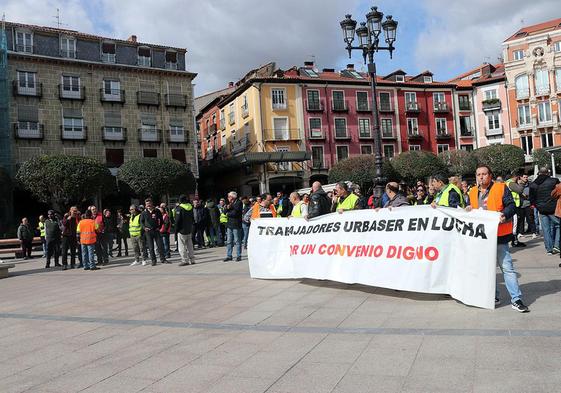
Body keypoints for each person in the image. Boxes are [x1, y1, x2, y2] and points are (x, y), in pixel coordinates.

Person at [466, 164, 529, 312]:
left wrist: (504, 214)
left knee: (507, 268)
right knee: (487, 270)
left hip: (499, 236)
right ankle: (493, 296)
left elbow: (511, 206)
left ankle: (516, 299)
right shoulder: (472, 191)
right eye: (478, 174)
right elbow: (469, 208)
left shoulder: (501, 187)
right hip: (481, 238)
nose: (481, 177)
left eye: (484, 174)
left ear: (490, 175)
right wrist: (468, 209)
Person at [530, 167, 560, 255]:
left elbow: (531, 198)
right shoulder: (554, 181)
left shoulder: (533, 184)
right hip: (552, 208)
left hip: (541, 209)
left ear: (539, 173)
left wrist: (537, 206)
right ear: (547, 173)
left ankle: (549, 249)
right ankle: (557, 245)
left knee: (546, 229)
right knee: (558, 225)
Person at [140, 198, 168, 265]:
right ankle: (153, 260)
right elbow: (141, 222)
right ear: (145, 205)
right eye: (147, 204)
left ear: (152, 203)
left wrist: (159, 227)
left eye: (149, 203)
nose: (148, 205)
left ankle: (163, 259)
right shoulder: (144, 213)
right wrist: (144, 228)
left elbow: (161, 220)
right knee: (151, 247)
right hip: (148, 232)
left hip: (156, 231)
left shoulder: (157, 211)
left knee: (160, 246)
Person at [505, 171, 526, 248]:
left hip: (513, 206)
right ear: (517, 177)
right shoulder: (511, 183)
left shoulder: (508, 182)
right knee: (515, 224)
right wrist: (521, 183)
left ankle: (515, 240)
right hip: (513, 207)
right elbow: (520, 190)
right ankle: (514, 241)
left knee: (515, 224)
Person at [175, 195, 196, 266]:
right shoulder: (190, 207)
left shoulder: (179, 208)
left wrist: (176, 229)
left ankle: (185, 260)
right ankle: (192, 259)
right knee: (190, 245)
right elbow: (192, 218)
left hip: (181, 230)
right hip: (189, 229)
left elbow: (177, 220)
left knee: (182, 246)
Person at [223, 191, 243, 262]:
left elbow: (235, 213)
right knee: (229, 241)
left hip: (236, 224)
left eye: (229, 196)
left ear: (233, 197)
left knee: (237, 241)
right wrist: (227, 208)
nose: (228, 198)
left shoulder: (239, 202)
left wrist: (228, 212)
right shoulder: (228, 203)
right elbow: (224, 211)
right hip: (229, 224)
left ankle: (238, 255)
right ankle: (229, 255)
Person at [519, 173, 536, 238]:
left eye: (526, 177)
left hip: (528, 204)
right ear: (521, 177)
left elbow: (533, 194)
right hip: (520, 205)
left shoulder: (530, 185)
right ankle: (520, 232)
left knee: (530, 219)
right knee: (521, 220)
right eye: (524, 177)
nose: (526, 178)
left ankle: (533, 232)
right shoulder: (518, 185)